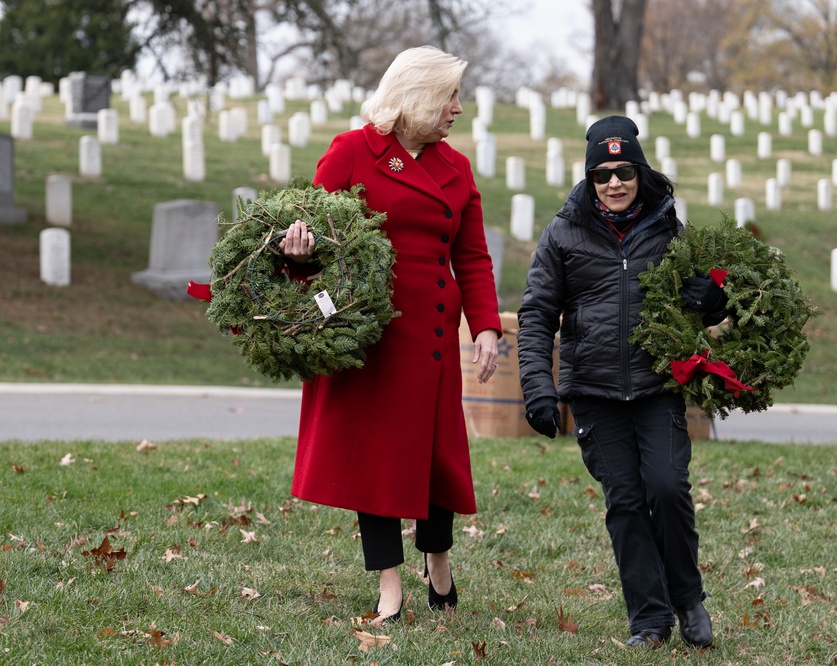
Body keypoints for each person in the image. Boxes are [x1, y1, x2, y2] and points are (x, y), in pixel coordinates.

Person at [280, 45, 502, 623]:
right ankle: (388, 586)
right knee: (374, 462)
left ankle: (440, 565)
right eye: (449, 95)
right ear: (418, 95)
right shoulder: (353, 152)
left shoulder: (456, 167)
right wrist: (298, 255)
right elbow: (314, 239)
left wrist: (484, 328)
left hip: (430, 337)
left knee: (435, 459)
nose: (458, 107)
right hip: (374, 339)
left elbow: (473, 256)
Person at [516, 116, 723, 649]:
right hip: (594, 392)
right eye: (602, 173)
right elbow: (537, 314)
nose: (614, 183)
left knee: (667, 487)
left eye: (624, 171)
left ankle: (688, 598)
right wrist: (539, 388)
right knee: (626, 502)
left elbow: (706, 302)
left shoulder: (669, 228)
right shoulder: (563, 232)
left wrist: (711, 300)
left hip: (658, 388)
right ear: (589, 178)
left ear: (639, 171)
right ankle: (650, 621)